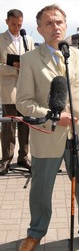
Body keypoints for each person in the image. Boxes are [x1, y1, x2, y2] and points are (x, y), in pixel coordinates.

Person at [16, 4, 79, 251]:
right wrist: (53, 115)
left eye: (59, 22)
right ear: (39, 29)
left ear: (66, 25)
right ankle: (35, 233)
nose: (55, 27)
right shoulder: (29, 60)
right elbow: (23, 102)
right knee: (41, 191)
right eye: (49, 23)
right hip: (47, 137)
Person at [0, 9, 35, 175]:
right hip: (8, 89)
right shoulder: (0, 39)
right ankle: (5, 160)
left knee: (25, 125)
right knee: (8, 127)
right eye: (13, 24)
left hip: (26, 90)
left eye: (19, 24)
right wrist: (13, 68)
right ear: (6, 21)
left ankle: (23, 157)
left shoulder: (28, 39)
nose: (16, 27)